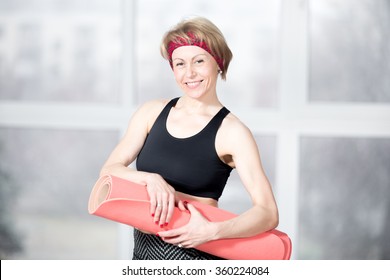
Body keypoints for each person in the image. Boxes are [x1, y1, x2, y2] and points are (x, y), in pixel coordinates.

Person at [100, 16, 279, 260]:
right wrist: (150, 180)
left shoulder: (233, 132)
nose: (190, 73)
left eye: (199, 61)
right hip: (143, 251)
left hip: (196, 252)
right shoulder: (151, 113)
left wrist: (214, 231)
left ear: (219, 62)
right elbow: (109, 171)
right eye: (180, 63)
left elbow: (267, 212)